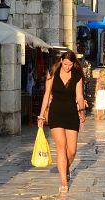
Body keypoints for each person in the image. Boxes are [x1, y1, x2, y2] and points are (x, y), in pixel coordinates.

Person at [37, 51, 88, 192]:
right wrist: (41, 116)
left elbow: (79, 96)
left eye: (70, 65)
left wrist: (81, 111)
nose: (67, 67)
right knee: (61, 147)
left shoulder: (77, 76)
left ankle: (65, 168)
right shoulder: (52, 73)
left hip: (71, 114)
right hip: (56, 114)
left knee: (72, 151)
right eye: (65, 64)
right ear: (61, 61)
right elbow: (46, 95)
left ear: (74, 63)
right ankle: (64, 182)